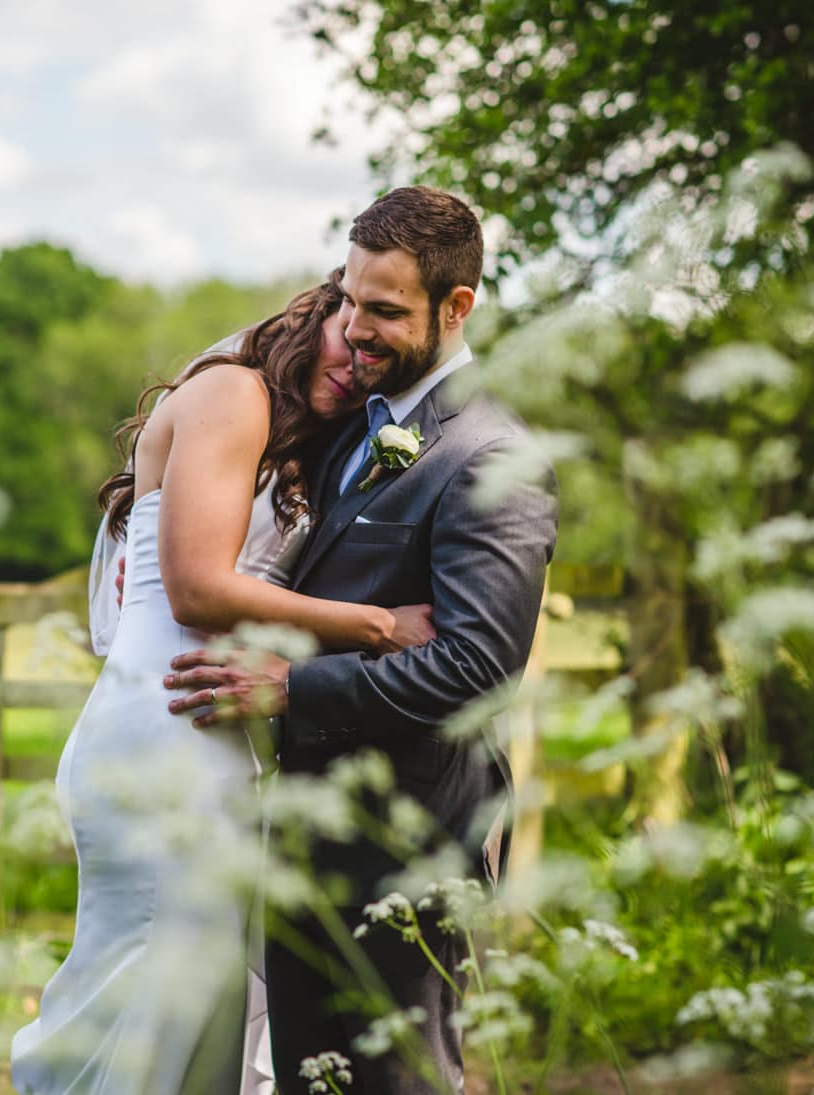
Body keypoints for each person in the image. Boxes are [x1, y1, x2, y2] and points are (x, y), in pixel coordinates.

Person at [164, 187, 559, 1094]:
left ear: (457, 308)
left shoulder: (493, 457)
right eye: (348, 299)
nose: (355, 327)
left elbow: (475, 666)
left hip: (409, 845)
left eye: (384, 310)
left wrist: (291, 692)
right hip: (309, 832)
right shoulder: (355, 427)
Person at [10, 276, 437, 1094]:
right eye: (346, 333)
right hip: (165, 726)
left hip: (222, 740)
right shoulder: (232, 393)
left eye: (374, 355)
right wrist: (379, 627)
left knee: (199, 1015)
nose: (356, 363)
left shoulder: (298, 448)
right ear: (310, 318)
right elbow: (197, 590)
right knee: (141, 1003)